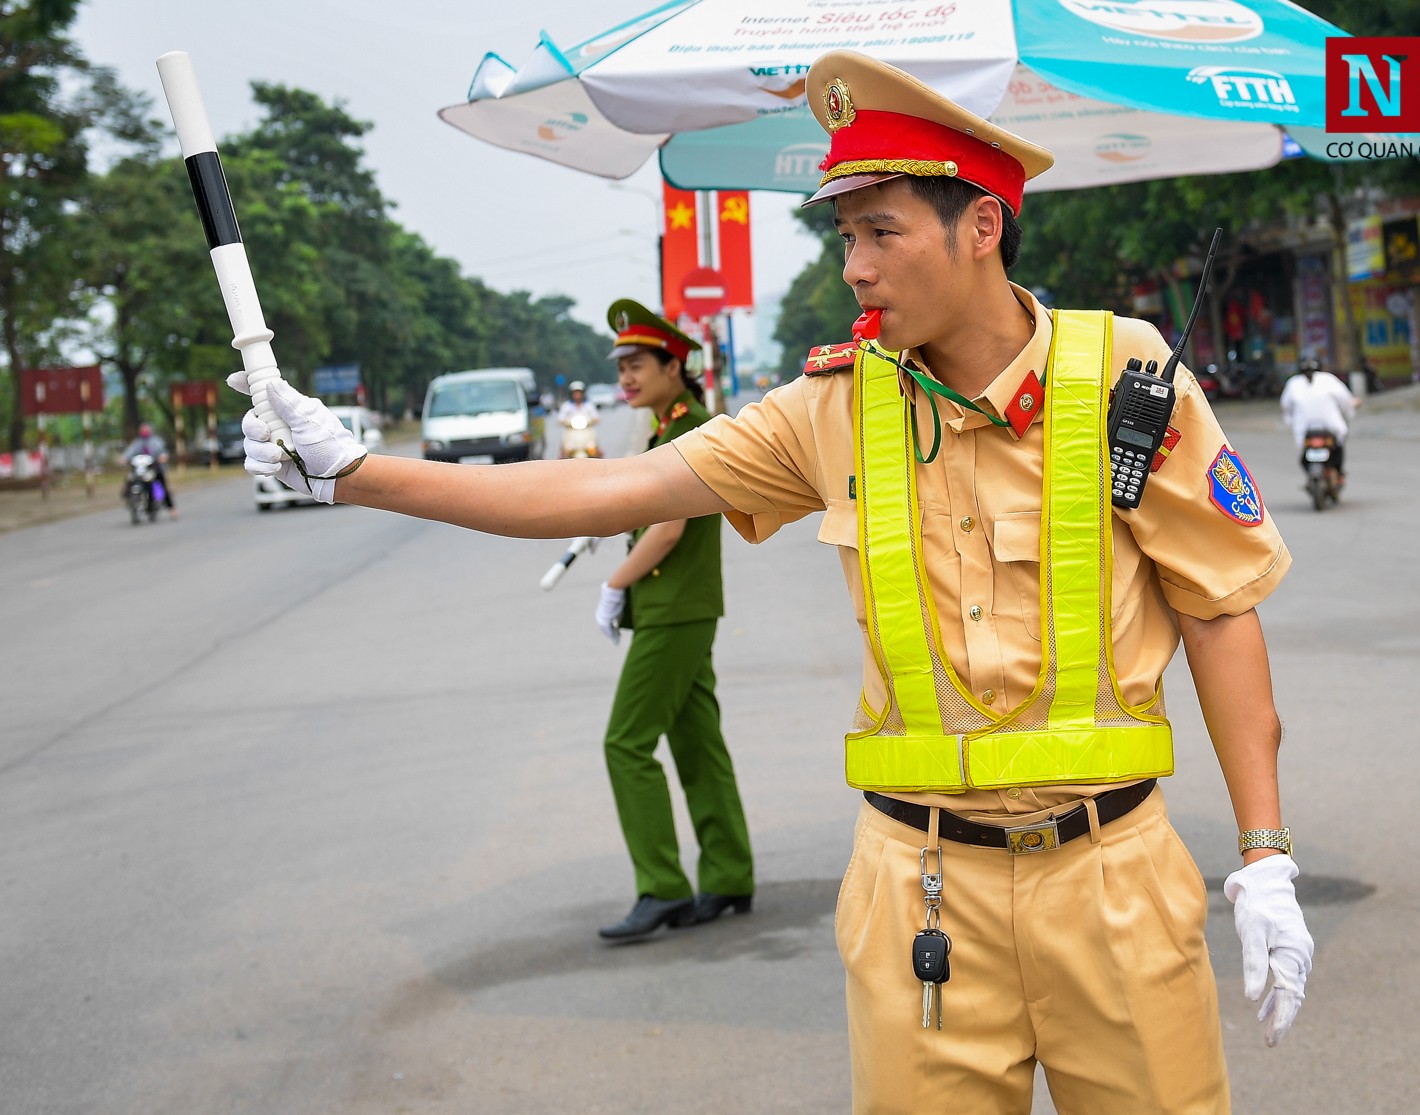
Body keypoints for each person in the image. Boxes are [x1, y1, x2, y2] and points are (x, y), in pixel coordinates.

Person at [237, 50, 1313, 1113]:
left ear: (980, 226)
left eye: (881, 231)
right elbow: (614, 487)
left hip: (1113, 873)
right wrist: (360, 475)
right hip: (918, 891)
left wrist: (1261, 854)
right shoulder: (829, 408)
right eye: (845, 235)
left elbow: (1218, 611)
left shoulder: (1124, 378)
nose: (855, 266)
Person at [586, 301, 756, 939]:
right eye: (622, 367)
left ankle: (661, 888)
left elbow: (668, 528)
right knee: (696, 744)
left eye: (636, 366)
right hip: (679, 608)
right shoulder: (670, 427)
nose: (625, 378)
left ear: (672, 365)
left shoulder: (686, 430)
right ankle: (729, 874)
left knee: (625, 743)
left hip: (672, 611)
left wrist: (613, 585)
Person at [1280, 356, 1358, 483]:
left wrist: (1289, 419)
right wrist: (1351, 408)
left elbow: (1285, 406)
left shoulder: (1293, 383)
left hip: (1304, 430)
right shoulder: (1328, 380)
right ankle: (1338, 475)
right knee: (1338, 446)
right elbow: (1345, 400)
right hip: (1331, 427)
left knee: (1304, 459)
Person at [121, 422, 176, 520]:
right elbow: (129, 452)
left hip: (154, 468)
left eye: (146, 430)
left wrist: (163, 457)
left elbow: (163, 451)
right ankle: (128, 497)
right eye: (142, 430)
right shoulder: (137, 442)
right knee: (129, 480)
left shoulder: (156, 441)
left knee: (162, 485)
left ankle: (171, 508)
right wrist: (124, 458)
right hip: (141, 469)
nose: (144, 432)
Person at [556, 381, 600, 459]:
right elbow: (560, 418)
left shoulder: (588, 405)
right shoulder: (566, 406)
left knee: (596, 447)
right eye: (575, 393)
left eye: (579, 392)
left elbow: (596, 417)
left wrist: (594, 420)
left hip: (586, 430)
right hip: (571, 430)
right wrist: (564, 422)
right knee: (563, 450)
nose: (577, 395)